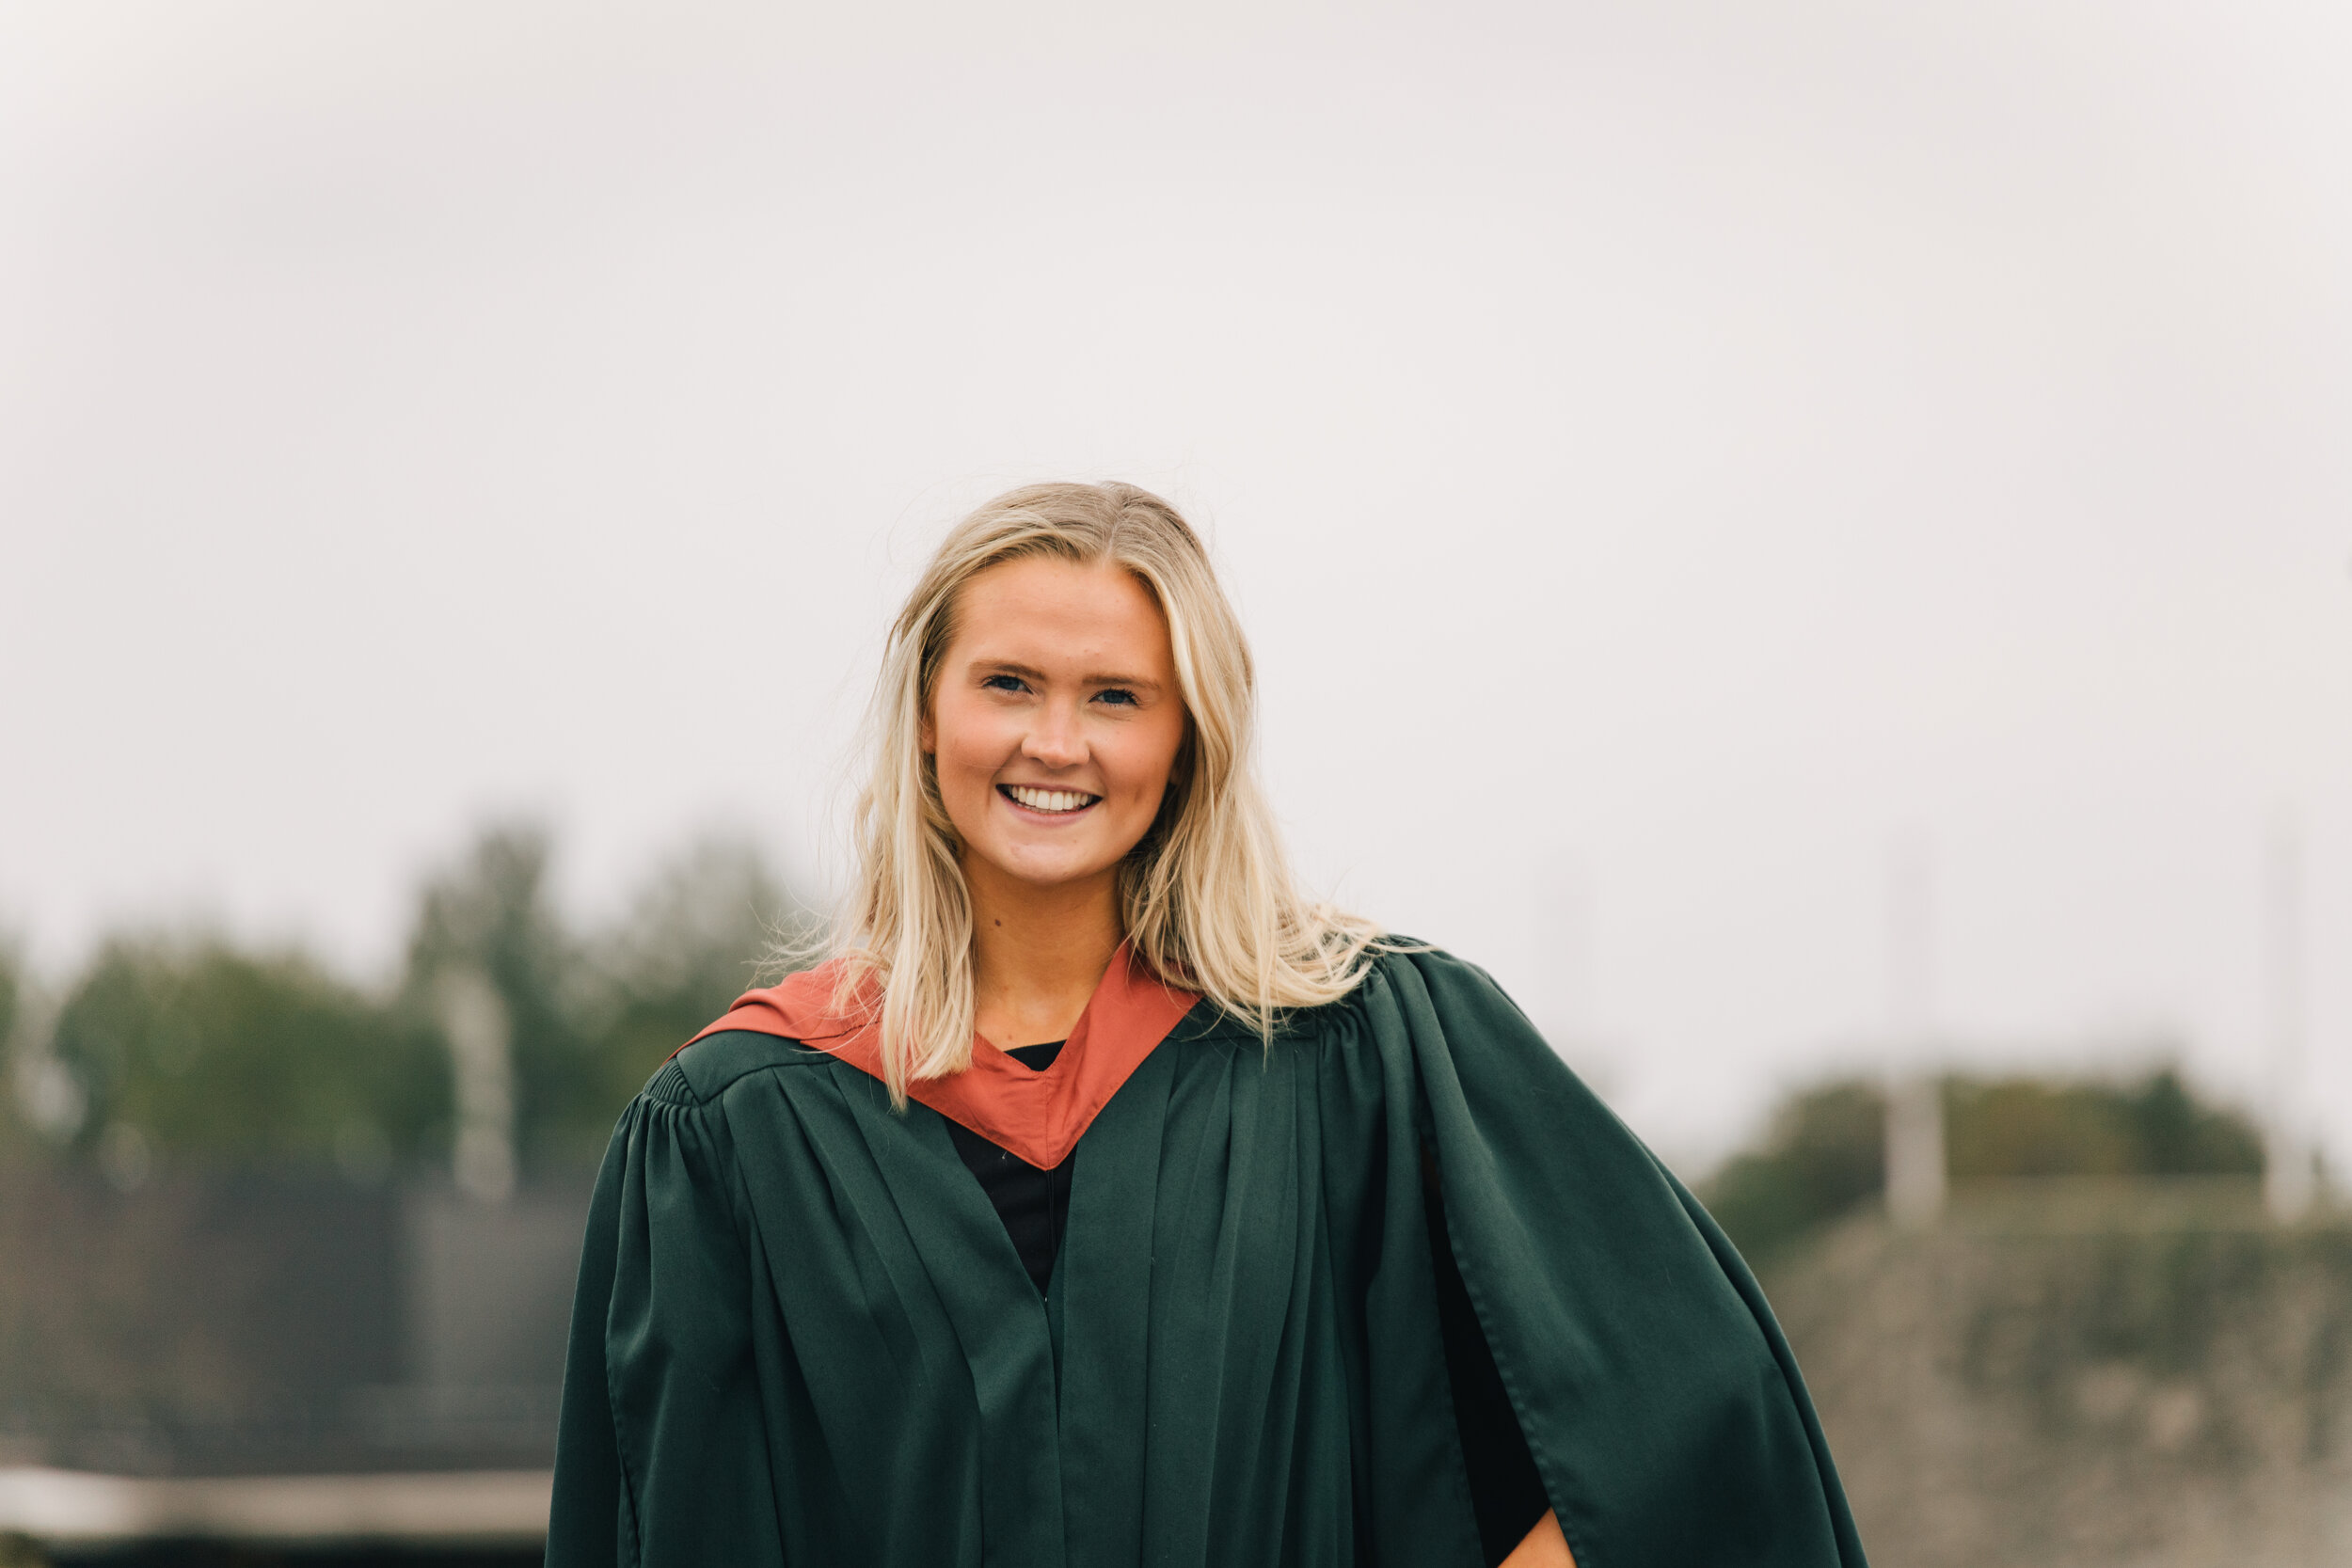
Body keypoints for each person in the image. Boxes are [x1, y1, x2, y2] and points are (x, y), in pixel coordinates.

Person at [544, 482, 1867, 1568]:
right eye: (1009, 683)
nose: (1055, 741)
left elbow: (1688, 1416)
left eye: (1116, 696)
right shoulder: (739, 1126)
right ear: (928, 716)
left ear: (1189, 741)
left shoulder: (1360, 1053)